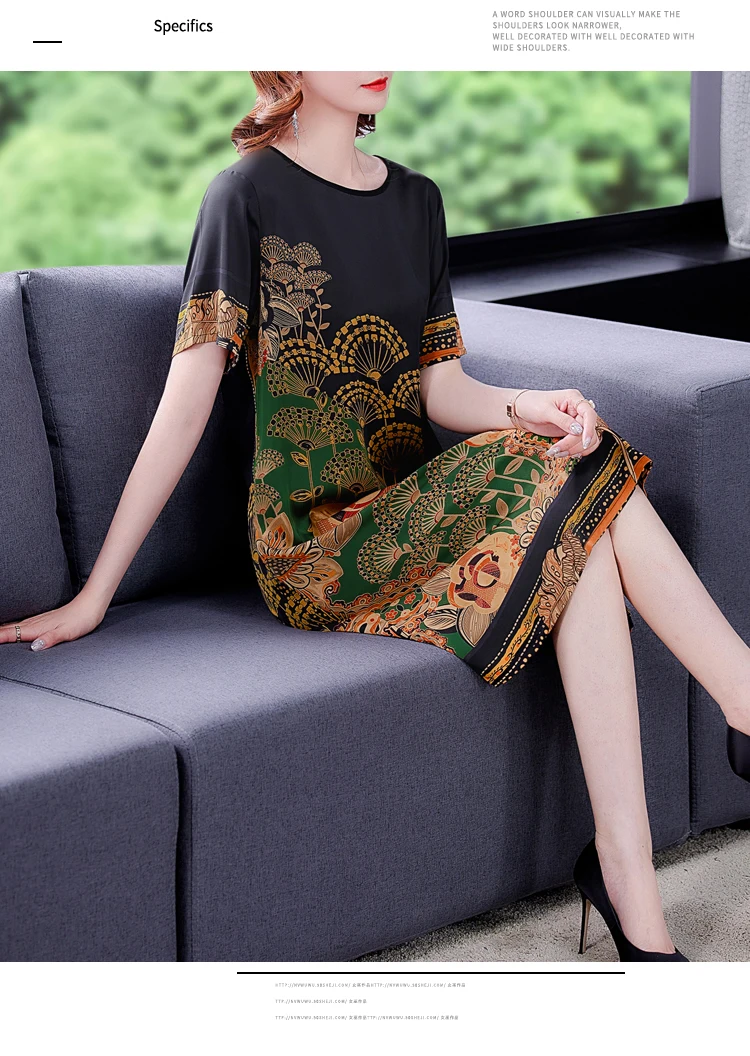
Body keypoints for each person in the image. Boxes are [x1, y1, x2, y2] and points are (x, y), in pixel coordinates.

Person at [2, 71, 749, 962]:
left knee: (572, 487)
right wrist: (97, 593)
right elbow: (186, 402)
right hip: (313, 548)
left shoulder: (416, 200)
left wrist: (530, 404)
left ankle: (629, 886)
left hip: (413, 510)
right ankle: (742, 701)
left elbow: (443, 391)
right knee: (572, 490)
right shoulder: (245, 194)